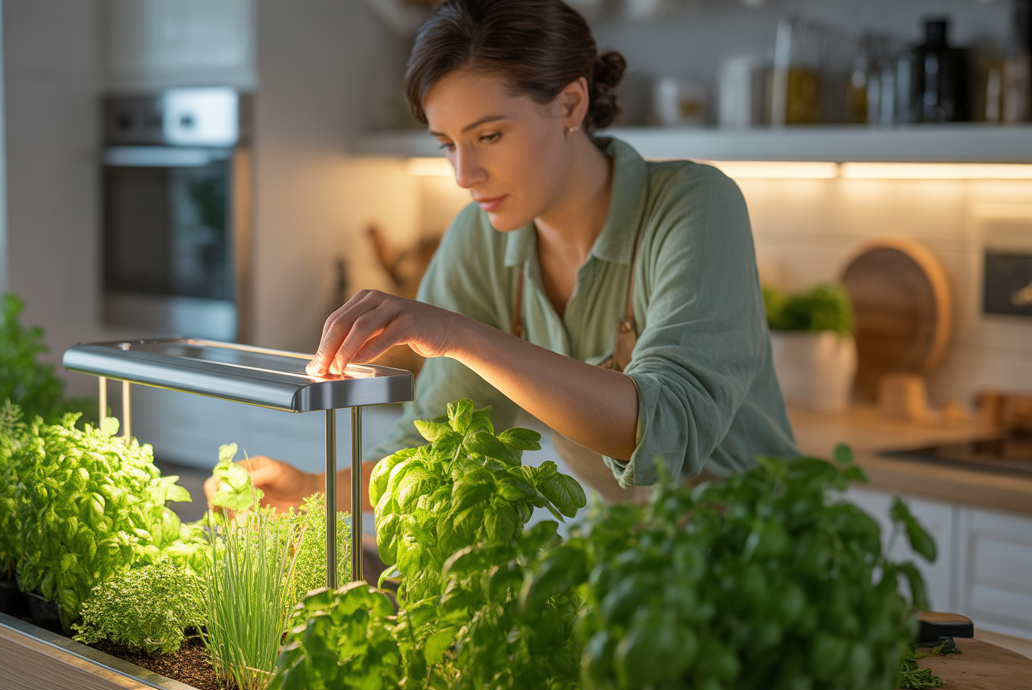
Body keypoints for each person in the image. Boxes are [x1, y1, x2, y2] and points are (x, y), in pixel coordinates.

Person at [204, 0, 798, 513]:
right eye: (447, 144)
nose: (465, 173)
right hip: (629, 569)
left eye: (488, 136)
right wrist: (308, 489)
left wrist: (461, 335)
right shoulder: (481, 238)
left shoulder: (694, 206)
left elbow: (668, 431)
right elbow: (432, 444)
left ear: (569, 104)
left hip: (763, 562)